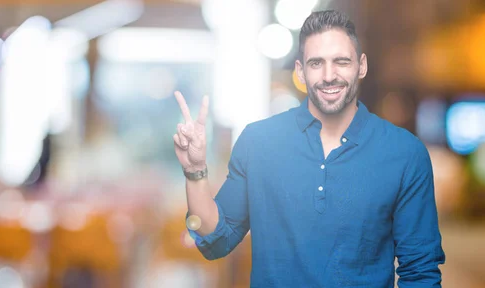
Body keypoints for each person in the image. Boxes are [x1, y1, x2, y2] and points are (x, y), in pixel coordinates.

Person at [172, 10, 445, 288]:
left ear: (361, 66)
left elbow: (420, 273)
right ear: (301, 71)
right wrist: (195, 171)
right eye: (316, 63)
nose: (329, 76)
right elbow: (216, 241)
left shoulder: (405, 153)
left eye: (341, 61)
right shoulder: (258, 142)